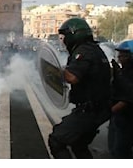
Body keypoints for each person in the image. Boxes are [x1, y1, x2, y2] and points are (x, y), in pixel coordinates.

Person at [48, 17, 112, 159]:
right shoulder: (94, 49)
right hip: (97, 109)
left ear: (73, 34)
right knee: (79, 145)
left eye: (64, 36)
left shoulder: (83, 51)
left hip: (89, 110)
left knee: (57, 139)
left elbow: (72, 77)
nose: (63, 41)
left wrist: (53, 70)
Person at [107, 40, 133, 158]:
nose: (120, 58)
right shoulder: (124, 71)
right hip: (118, 115)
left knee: (120, 150)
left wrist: (111, 110)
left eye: (124, 55)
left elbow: (128, 99)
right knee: (114, 149)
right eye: (119, 55)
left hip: (126, 117)